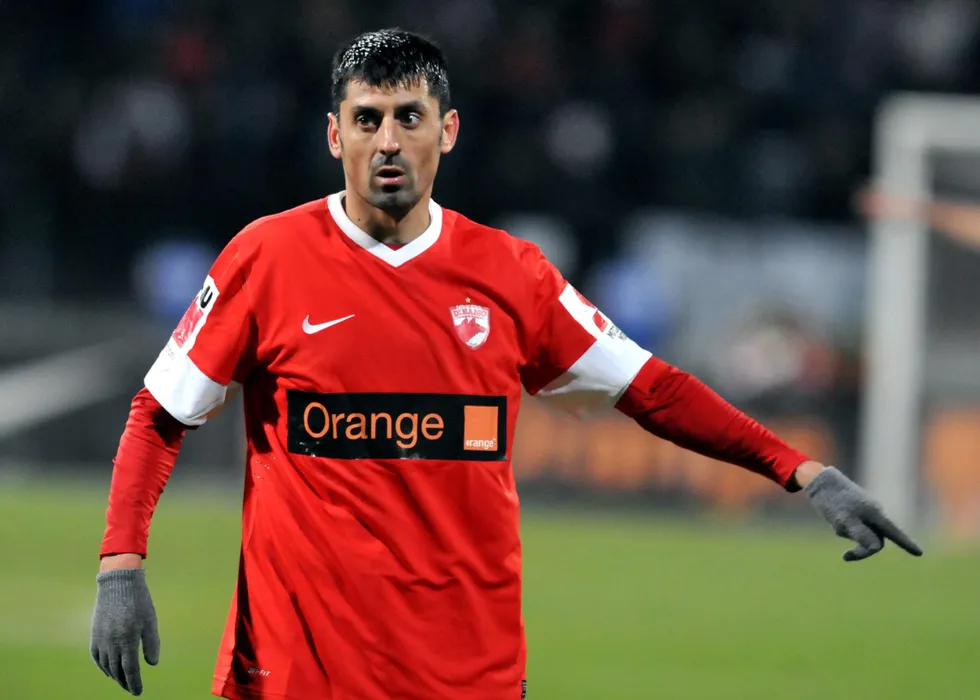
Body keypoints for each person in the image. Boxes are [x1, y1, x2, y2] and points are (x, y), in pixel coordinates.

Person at [90, 28, 923, 700]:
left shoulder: (510, 275)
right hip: (297, 676)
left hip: (468, 676)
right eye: (368, 119)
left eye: (410, 117)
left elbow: (652, 390)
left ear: (447, 131)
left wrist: (801, 470)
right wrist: (121, 564)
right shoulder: (266, 259)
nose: (388, 141)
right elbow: (160, 413)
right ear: (334, 134)